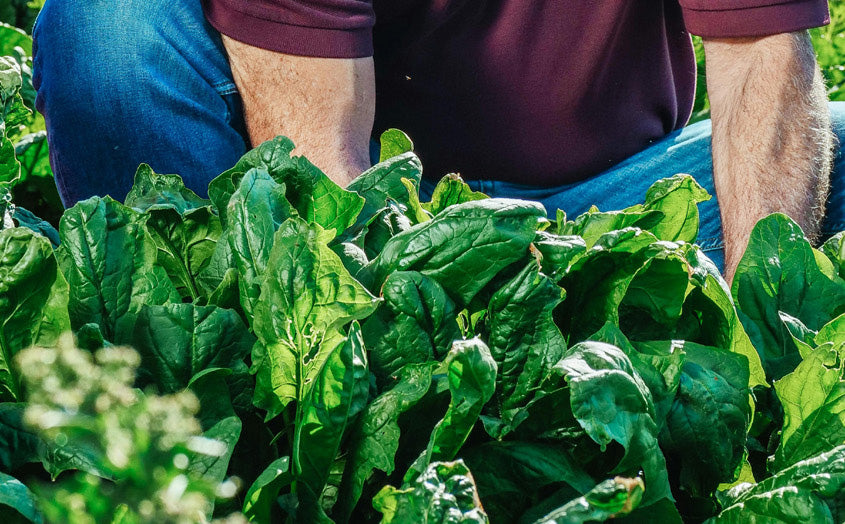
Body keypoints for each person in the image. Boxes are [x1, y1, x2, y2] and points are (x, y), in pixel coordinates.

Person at [32, 0, 844, 280]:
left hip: (612, 209)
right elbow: (320, 155)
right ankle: (210, 357)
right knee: (104, 29)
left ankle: (622, 311)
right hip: (375, 223)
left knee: (832, 143)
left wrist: (753, 330)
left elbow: (763, 59)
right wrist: (409, 362)